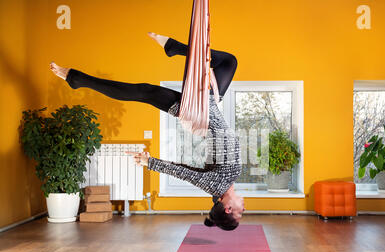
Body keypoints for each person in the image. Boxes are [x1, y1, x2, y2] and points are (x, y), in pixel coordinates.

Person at [50, 32, 244, 230]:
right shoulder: (224, 182)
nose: (243, 207)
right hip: (209, 107)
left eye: (240, 211)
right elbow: (193, 169)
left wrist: (150, 162)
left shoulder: (217, 185)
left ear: (228, 208)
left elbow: (184, 173)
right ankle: (173, 47)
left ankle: (77, 78)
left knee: (144, 91)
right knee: (228, 63)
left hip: (199, 113)